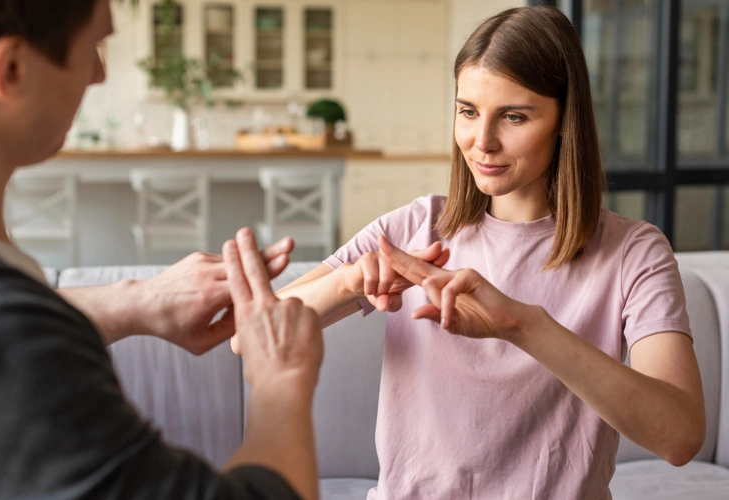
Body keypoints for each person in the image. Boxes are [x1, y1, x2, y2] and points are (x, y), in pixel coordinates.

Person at [263, 6, 706, 499]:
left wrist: (521, 325)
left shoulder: (633, 253)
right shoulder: (413, 228)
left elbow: (680, 436)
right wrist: (348, 281)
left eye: (514, 116)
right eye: (468, 111)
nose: (482, 142)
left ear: (565, 120)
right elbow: (250, 337)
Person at [0, 1, 324, 499]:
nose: (99, 73)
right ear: (11, 70)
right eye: (93, 46)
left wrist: (135, 301)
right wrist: (280, 378)